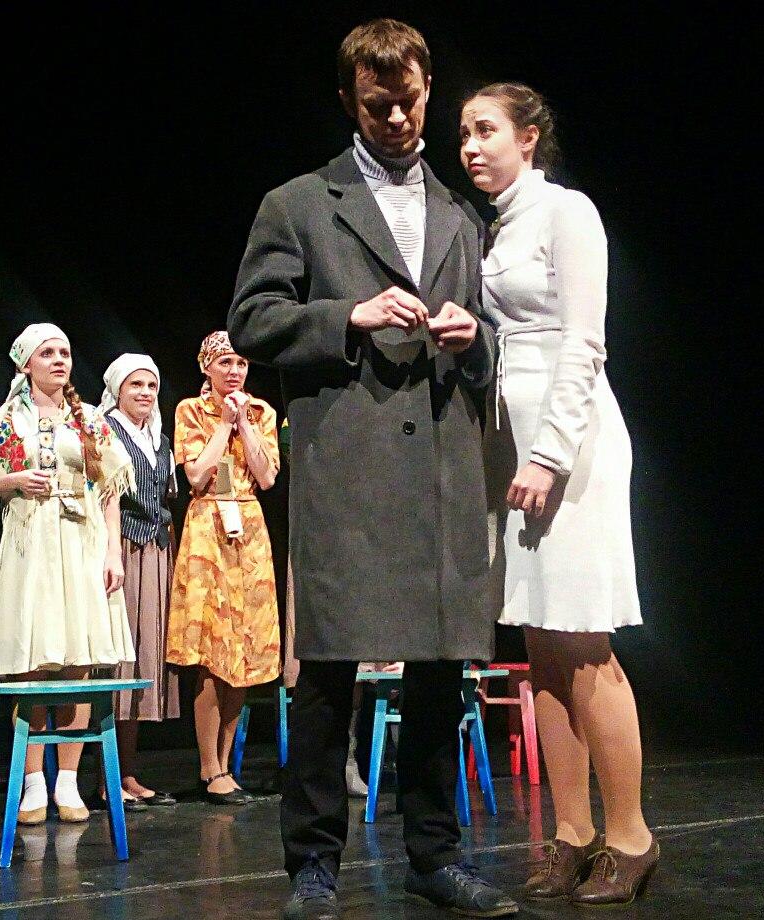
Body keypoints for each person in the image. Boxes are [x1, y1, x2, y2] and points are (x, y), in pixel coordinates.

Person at [229, 19, 518, 918]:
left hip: (440, 469)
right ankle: (314, 867)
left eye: (409, 102)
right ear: (349, 100)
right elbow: (251, 321)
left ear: (428, 91)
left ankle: (435, 856)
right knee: (327, 674)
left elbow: (490, 337)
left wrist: (475, 340)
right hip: (347, 469)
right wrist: (346, 316)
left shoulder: (459, 213)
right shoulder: (299, 203)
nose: (396, 119)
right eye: (377, 105)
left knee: (438, 673)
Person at [461, 82, 657, 905]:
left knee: (583, 641)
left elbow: (584, 342)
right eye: (464, 134)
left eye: (485, 130)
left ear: (529, 137)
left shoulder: (567, 212)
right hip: (516, 445)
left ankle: (631, 836)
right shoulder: (496, 227)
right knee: (540, 647)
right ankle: (571, 835)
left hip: (570, 446)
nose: (470, 147)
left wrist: (547, 454)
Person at [0, 323, 134, 825]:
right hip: (30, 542)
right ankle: (32, 783)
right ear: (25, 363)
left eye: (65, 352)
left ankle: (67, 780)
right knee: (31, 659)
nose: (59, 360)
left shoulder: (89, 419)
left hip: (81, 539)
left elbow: (109, 490)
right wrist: (14, 480)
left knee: (77, 658)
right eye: (47, 353)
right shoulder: (6, 420)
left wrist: (113, 552)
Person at [165, 332, 282, 805]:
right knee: (213, 654)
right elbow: (196, 474)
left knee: (245, 653)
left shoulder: (263, 413)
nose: (234, 371)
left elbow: (267, 477)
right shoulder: (190, 411)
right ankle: (208, 767)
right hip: (207, 527)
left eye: (241, 363)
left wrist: (245, 424)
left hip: (248, 528)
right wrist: (224, 425)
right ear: (207, 367)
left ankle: (226, 764)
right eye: (225, 363)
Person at [98, 354, 181, 809]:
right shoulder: (105, 429)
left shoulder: (158, 439)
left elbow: (165, 493)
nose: (145, 393)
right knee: (117, 661)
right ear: (117, 390)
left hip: (156, 550)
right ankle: (105, 776)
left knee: (141, 662)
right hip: (122, 548)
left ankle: (126, 773)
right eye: (136, 385)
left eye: (151, 385)